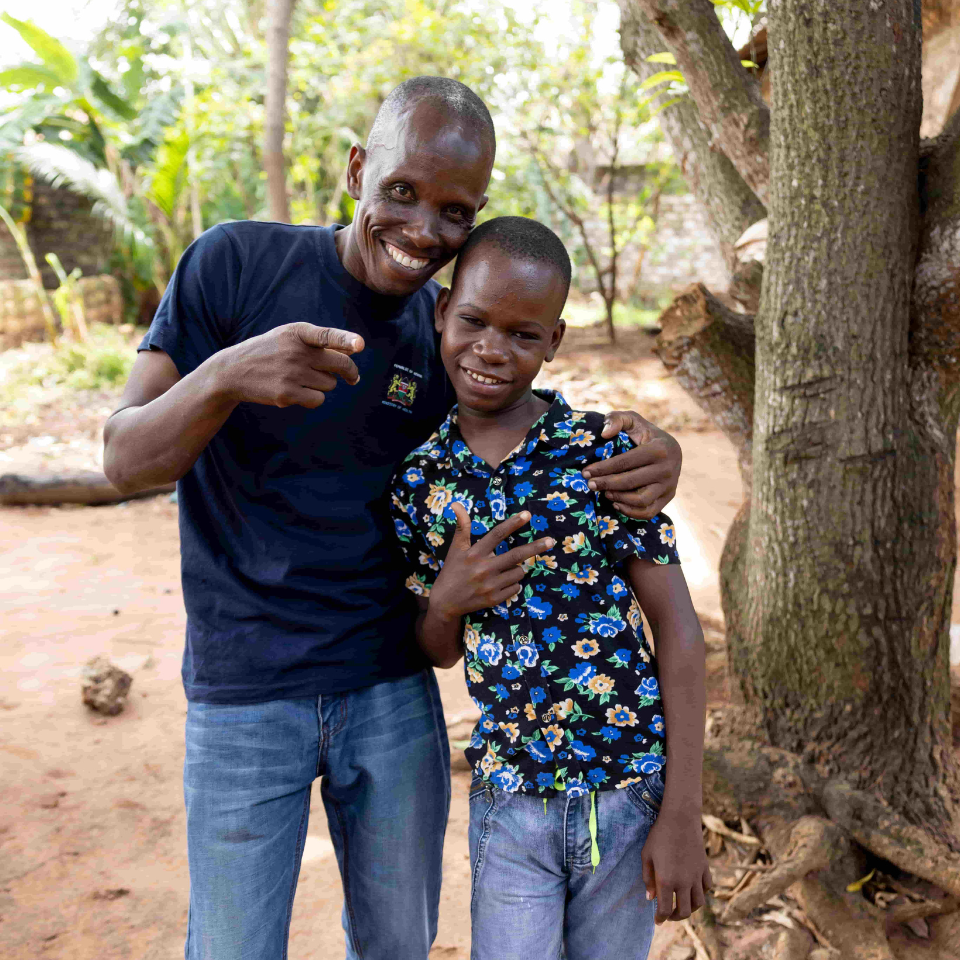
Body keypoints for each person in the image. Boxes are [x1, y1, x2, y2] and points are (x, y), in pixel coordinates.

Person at [102, 78, 684, 960]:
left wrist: (654, 452)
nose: (422, 230)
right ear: (356, 169)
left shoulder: (443, 332)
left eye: (455, 211)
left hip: (391, 689)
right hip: (244, 690)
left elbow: (532, 422)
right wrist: (223, 376)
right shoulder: (233, 263)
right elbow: (122, 459)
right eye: (402, 192)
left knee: (398, 946)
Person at [390, 216, 710, 960]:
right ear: (442, 312)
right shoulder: (421, 480)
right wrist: (448, 599)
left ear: (555, 341)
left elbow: (680, 631)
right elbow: (436, 649)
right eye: (472, 321)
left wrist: (684, 814)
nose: (491, 350)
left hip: (626, 794)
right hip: (508, 803)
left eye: (524, 335)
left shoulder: (602, 456)